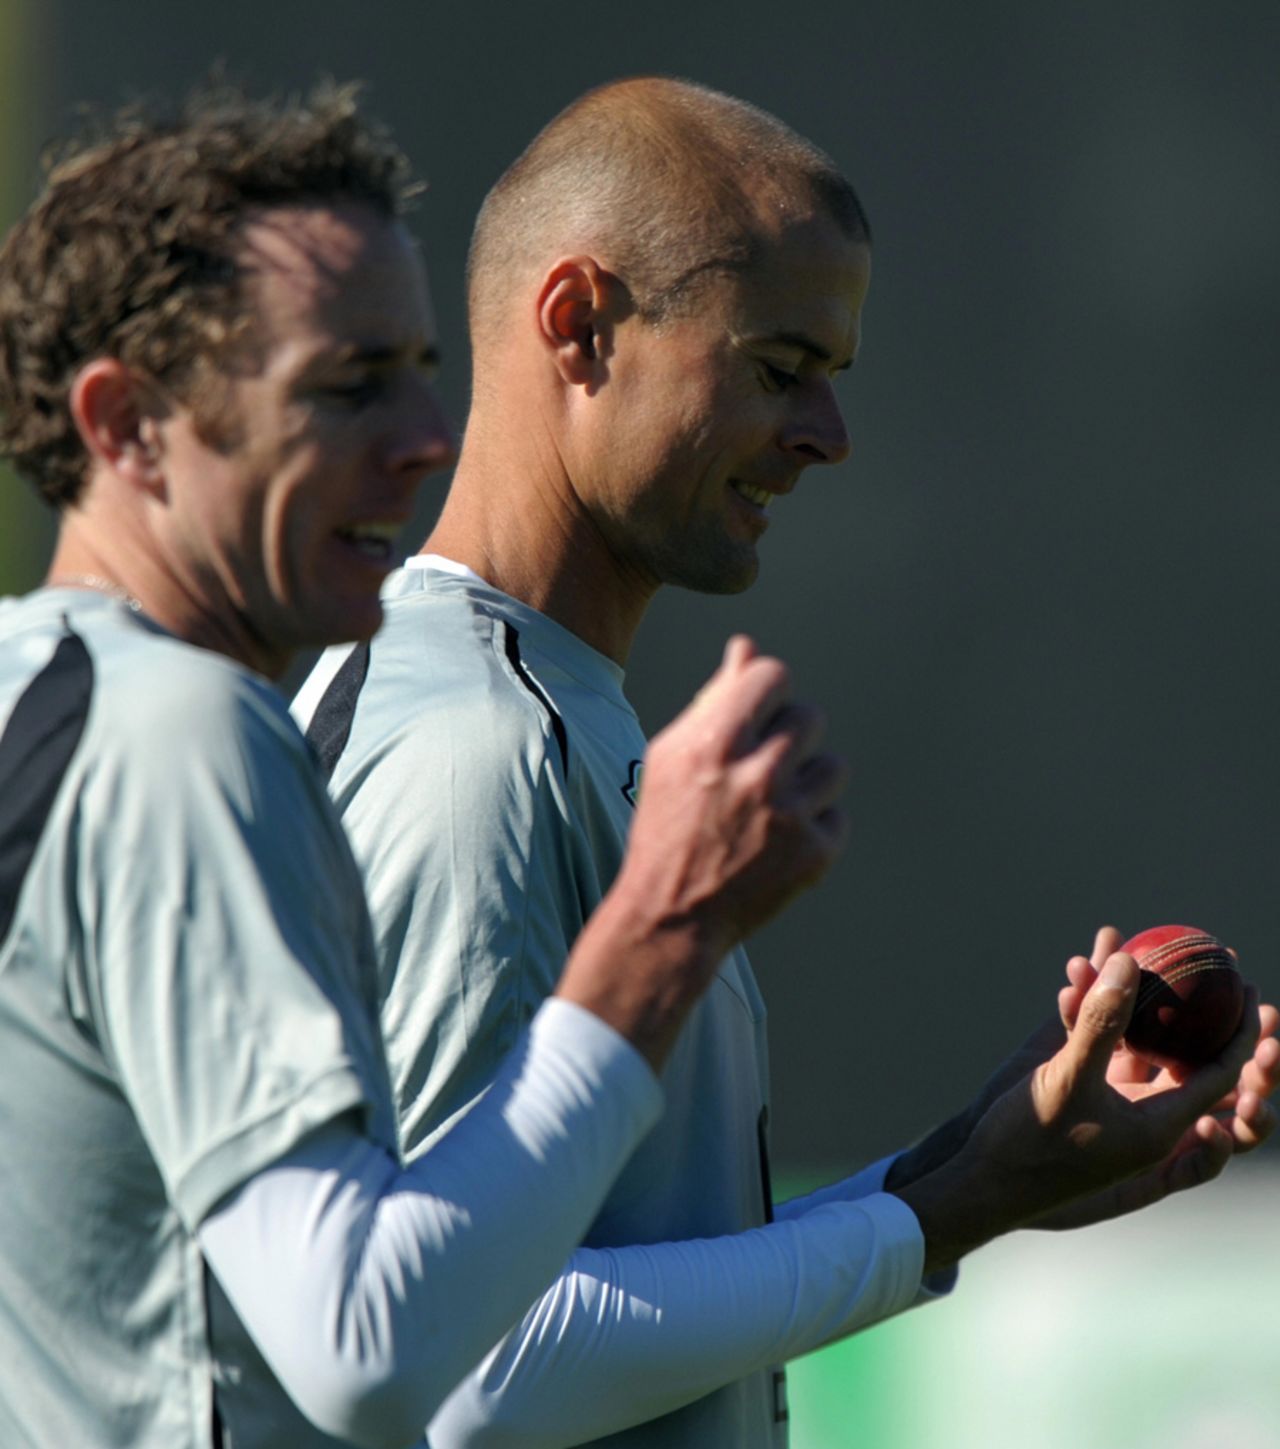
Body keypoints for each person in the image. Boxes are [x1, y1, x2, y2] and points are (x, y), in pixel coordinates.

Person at [292, 77, 1278, 1448]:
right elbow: (467, 1358)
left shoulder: (518, 702)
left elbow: (586, 1277)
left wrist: (985, 1168)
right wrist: (940, 1213)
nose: (829, 435)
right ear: (578, 326)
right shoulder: (473, 744)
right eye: (777, 368)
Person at [0, 81, 856, 1449]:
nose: (424, 437)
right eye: (347, 387)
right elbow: (398, 1354)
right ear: (125, 426)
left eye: (413, 370)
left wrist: (957, 1185)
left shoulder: (54, 693)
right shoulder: (195, 730)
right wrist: (666, 929)